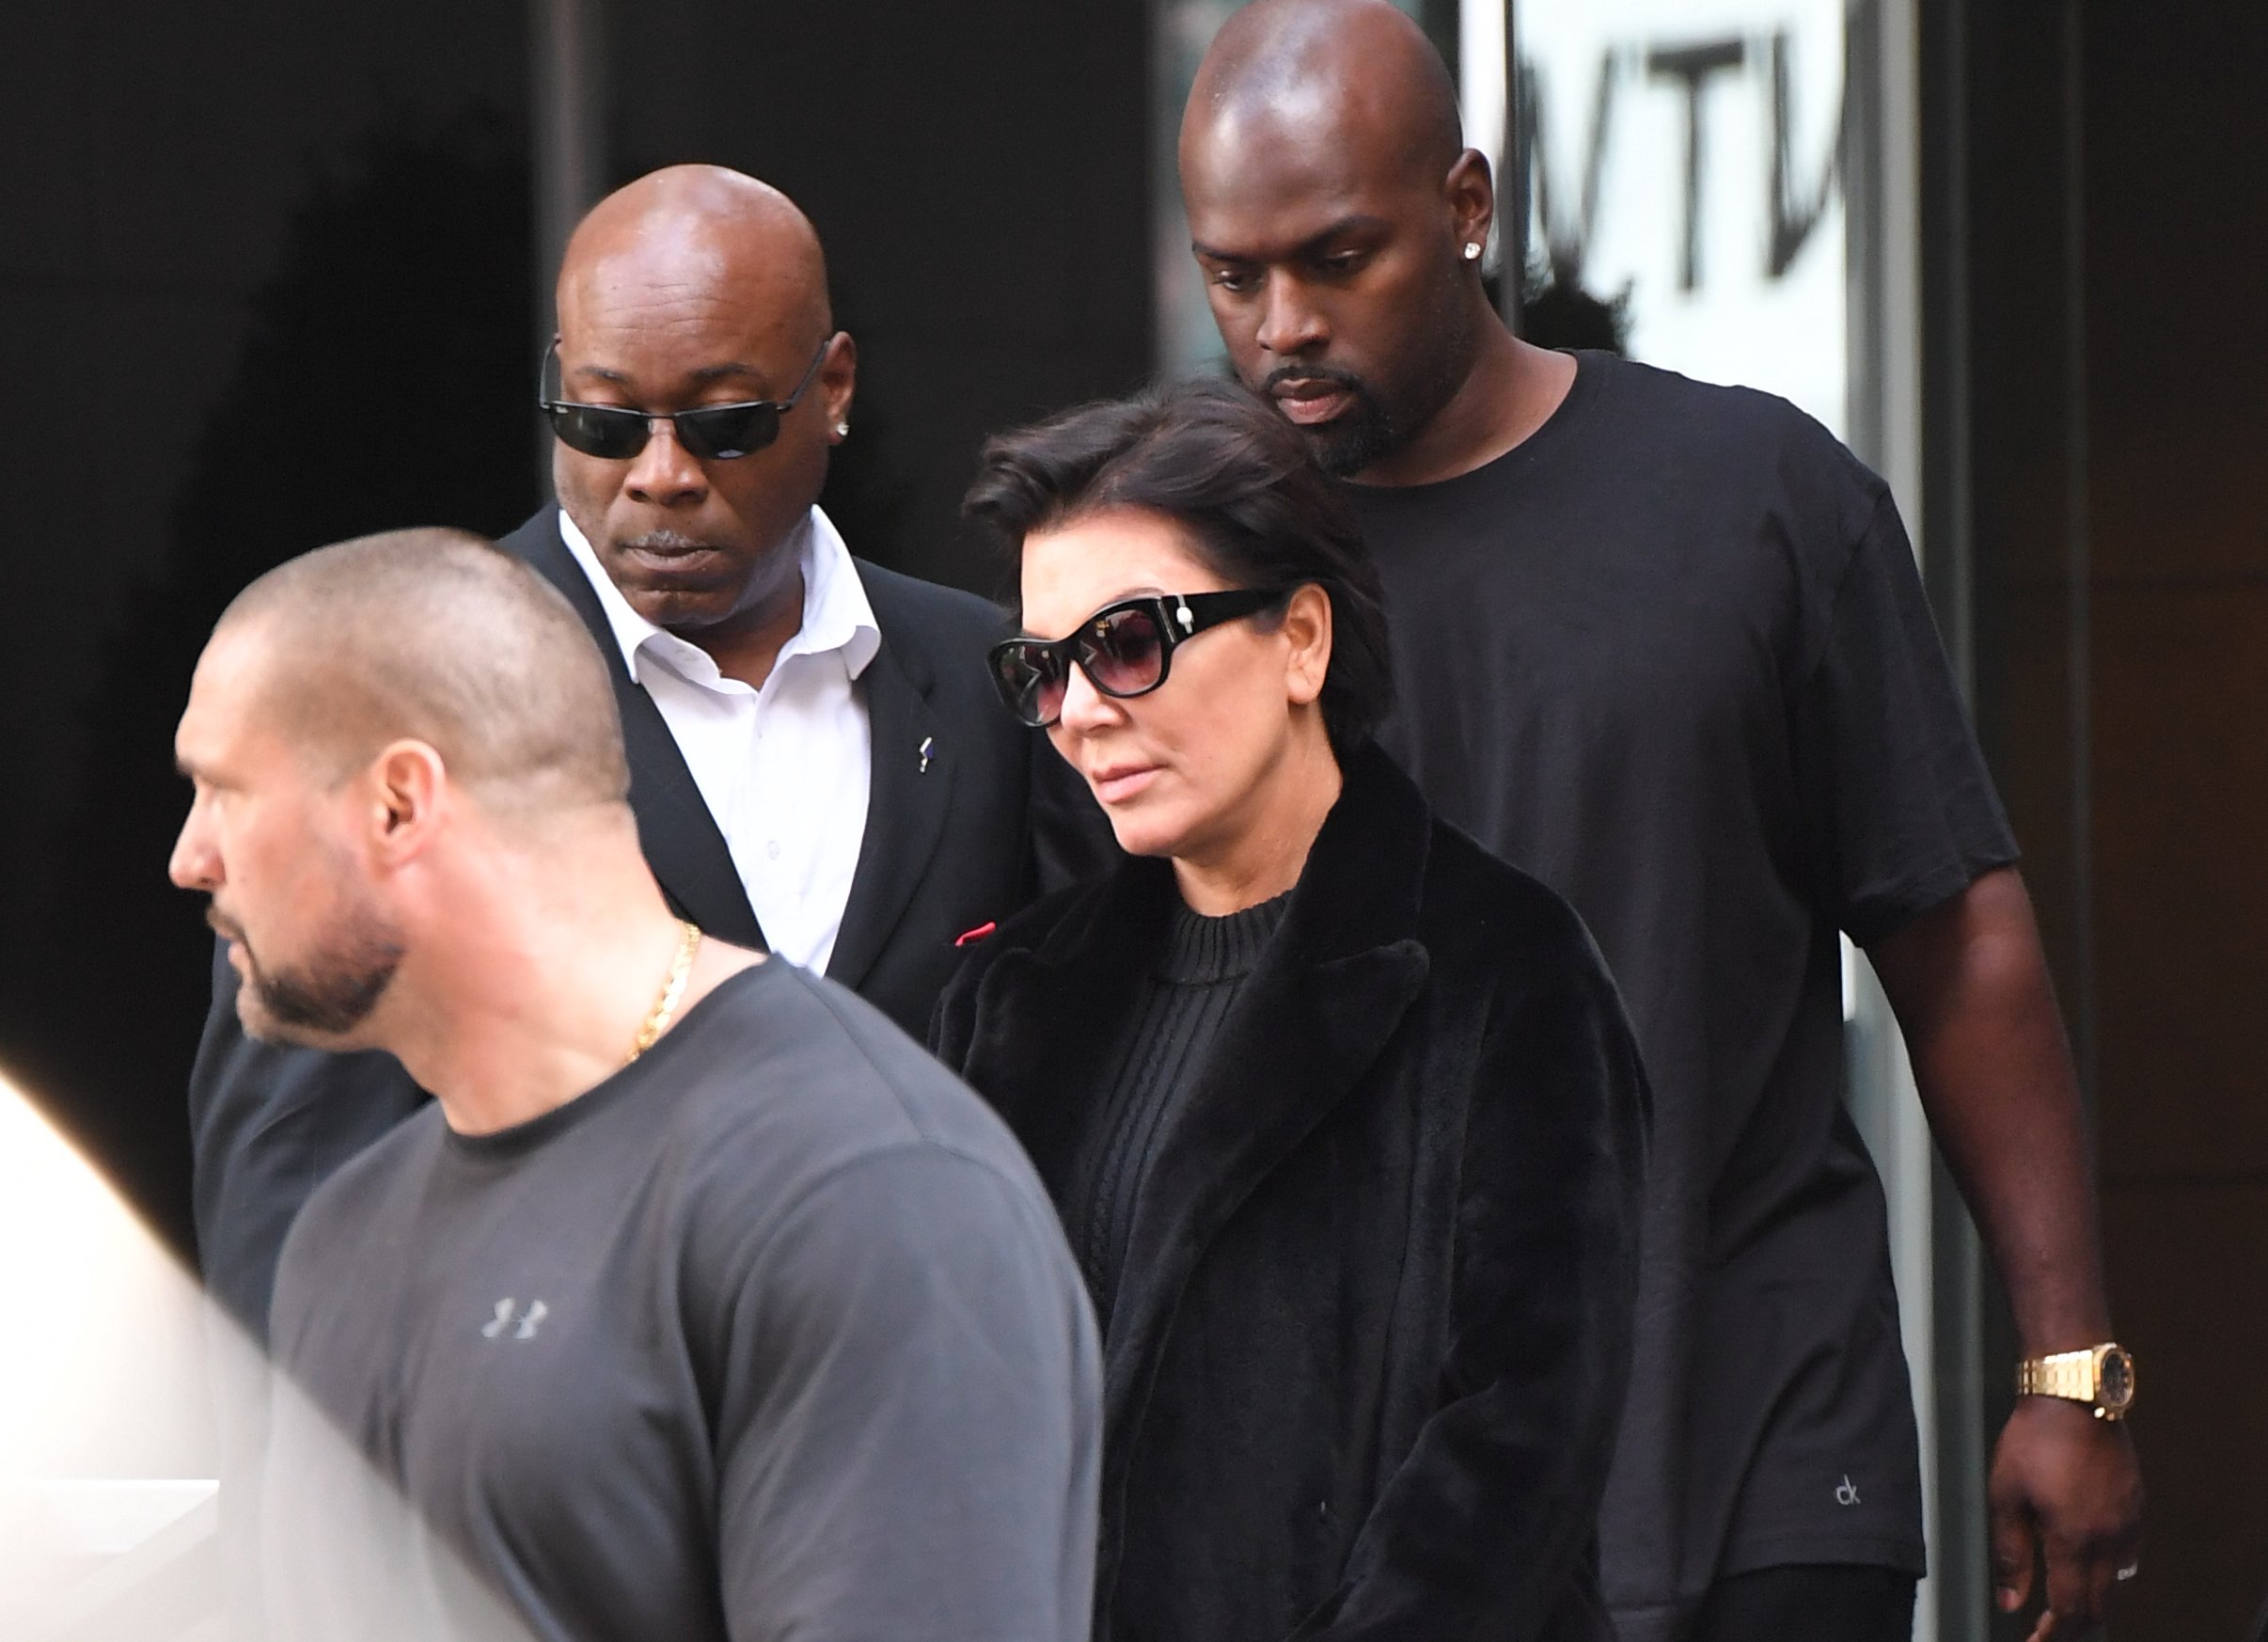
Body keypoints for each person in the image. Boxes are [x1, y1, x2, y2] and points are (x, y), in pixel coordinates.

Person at [1175, 5, 2143, 1640]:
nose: (1283, 326)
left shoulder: (1753, 496)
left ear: (1466, 206)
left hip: (1759, 1452)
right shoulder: (1193, 582)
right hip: (1381, 1502)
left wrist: (2071, 1370)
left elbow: (1954, 938)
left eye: (1337, 259)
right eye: (1234, 274)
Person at [187, 163, 1103, 1346]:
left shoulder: (987, 681)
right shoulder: (394, 689)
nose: (659, 475)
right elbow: (291, 1196)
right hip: (540, 1480)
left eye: (723, 424)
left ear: (833, 389)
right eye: (606, 423)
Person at [168, 527, 1099, 1642]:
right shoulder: (340, 1236)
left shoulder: (872, 1198)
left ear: (400, 806)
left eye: (223, 790)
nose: (192, 858)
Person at [935, 378, 1648, 1641]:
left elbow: (1518, 1440)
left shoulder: (1504, 970)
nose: (1083, 710)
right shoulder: (1016, 996)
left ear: (1302, 639)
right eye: (1043, 669)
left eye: (1129, 640)